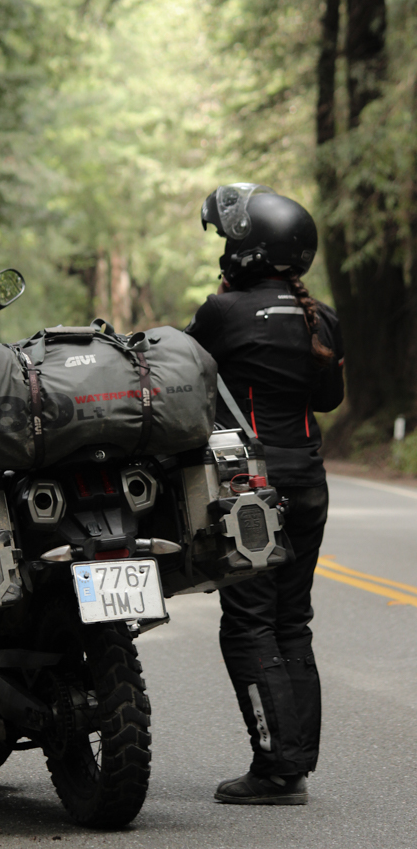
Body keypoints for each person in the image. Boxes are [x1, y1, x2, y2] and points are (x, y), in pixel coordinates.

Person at [186, 183, 344, 806]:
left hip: (249, 489)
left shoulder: (221, 313)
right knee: (292, 621)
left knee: (249, 624)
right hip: (309, 482)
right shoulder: (320, 317)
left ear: (248, 251)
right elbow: (327, 399)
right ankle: (293, 765)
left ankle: (277, 771)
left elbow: (180, 384)